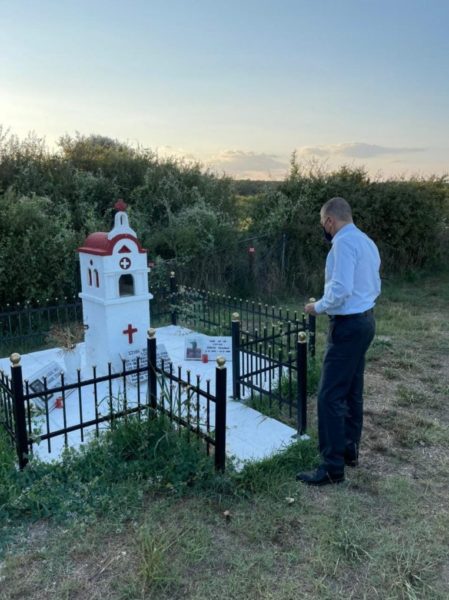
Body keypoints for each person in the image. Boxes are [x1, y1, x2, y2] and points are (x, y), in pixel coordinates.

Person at [297, 197, 381, 486]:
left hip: (348, 326)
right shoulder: (367, 242)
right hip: (366, 320)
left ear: (330, 221)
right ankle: (348, 451)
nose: (325, 229)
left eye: (324, 224)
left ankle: (332, 467)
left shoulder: (343, 244)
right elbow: (374, 284)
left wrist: (318, 306)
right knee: (352, 389)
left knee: (329, 395)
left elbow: (341, 288)